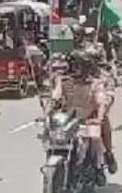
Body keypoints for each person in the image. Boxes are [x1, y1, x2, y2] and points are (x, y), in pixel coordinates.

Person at [49, 47, 116, 180]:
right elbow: (55, 98)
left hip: (88, 120)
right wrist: (48, 114)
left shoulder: (95, 82)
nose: (75, 68)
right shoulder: (63, 81)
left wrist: (99, 118)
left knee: (96, 138)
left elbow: (101, 102)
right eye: (73, 65)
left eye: (78, 65)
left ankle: (99, 167)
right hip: (68, 121)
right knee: (52, 137)